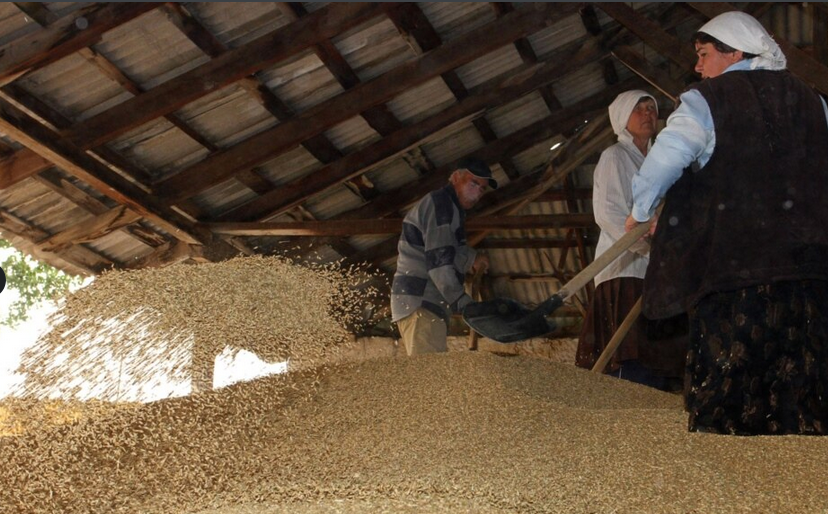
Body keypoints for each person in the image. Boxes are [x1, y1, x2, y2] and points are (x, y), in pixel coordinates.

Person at [624, 11, 828, 435]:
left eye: (703, 54)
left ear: (734, 52)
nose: (698, 67)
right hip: (808, 276)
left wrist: (640, 211)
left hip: (735, 275)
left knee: (730, 397)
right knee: (803, 395)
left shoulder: (706, 101)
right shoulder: (814, 101)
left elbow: (668, 156)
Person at [576, 90, 686, 390]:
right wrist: (648, 248)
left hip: (656, 275)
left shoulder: (660, 164)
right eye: (639, 109)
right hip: (625, 272)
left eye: (651, 108)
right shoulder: (615, 157)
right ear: (623, 118)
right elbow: (609, 214)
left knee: (658, 354)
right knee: (629, 355)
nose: (648, 113)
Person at [391, 157, 496, 355]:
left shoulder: (450, 209)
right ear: (456, 177)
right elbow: (439, 262)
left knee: (430, 376)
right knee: (430, 380)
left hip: (423, 304)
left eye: (482, 188)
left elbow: (446, 245)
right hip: (422, 303)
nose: (478, 193)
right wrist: (462, 301)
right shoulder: (442, 205)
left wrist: (472, 258)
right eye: (473, 184)